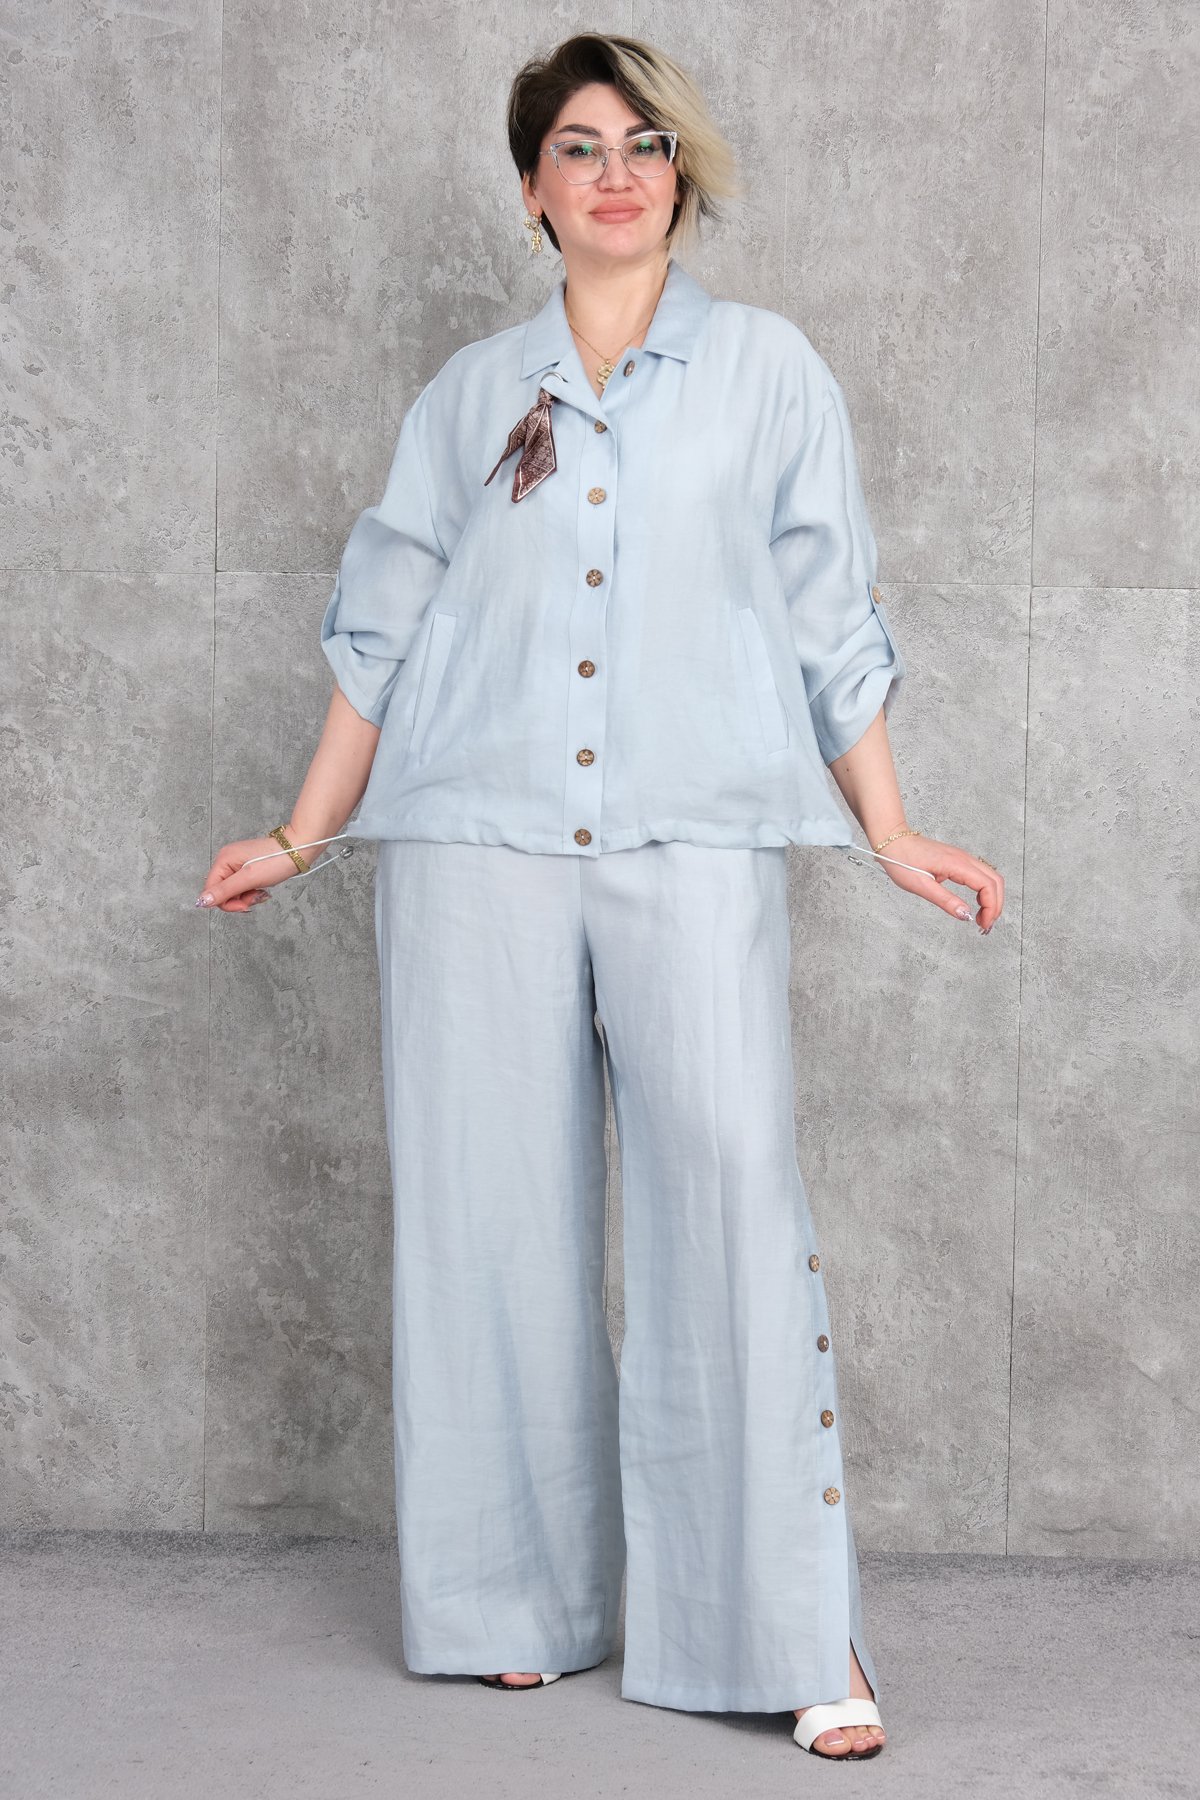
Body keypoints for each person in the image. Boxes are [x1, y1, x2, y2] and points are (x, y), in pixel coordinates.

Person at [196, 30, 1003, 1762]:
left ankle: (786, 1631)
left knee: (731, 1205)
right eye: (580, 146)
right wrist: (303, 832)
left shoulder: (770, 372)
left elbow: (830, 614)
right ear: (533, 190)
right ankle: (512, 1599)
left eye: (644, 143)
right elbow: (381, 625)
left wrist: (890, 829)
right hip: (471, 845)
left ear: (680, 174)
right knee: (486, 1218)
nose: (616, 172)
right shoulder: (467, 396)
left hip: (691, 841)